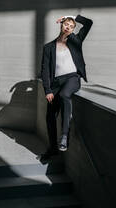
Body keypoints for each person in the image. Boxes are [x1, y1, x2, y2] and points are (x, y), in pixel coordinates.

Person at [40, 14, 93, 161]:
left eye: (71, 26)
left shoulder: (76, 40)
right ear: (61, 25)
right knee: (50, 116)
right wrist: (48, 90)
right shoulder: (48, 47)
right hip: (55, 83)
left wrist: (72, 16)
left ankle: (64, 135)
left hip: (72, 78)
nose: (68, 27)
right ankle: (52, 149)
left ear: (73, 29)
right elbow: (44, 70)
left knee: (64, 95)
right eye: (66, 24)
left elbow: (88, 23)